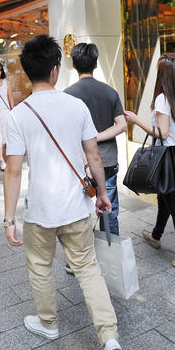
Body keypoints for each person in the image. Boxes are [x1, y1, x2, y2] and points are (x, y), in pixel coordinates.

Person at [3, 35, 125, 350]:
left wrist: (8, 218)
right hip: (76, 207)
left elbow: (13, 171)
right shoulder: (77, 107)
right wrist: (102, 194)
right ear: (56, 71)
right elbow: (93, 157)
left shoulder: (19, 115)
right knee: (88, 269)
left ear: (29, 74)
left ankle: (48, 323)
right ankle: (110, 339)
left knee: (40, 267)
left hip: (41, 211)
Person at [125, 52, 175, 274]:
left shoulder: (162, 99)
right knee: (165, 199)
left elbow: (162, 133)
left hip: (167, 159)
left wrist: (136, 120)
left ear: (161, 75)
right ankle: (156, 235)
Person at [64, 43, 126, 237]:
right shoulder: (110, 92)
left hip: (79, 163)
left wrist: (90, 139)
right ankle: (112, 253)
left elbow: (68, 134)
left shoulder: (67, 95)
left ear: (73, 64)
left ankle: (77, 261)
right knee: (109, 209)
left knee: (77, 213)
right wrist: (97, 137)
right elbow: (122, 125)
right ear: (96, 64)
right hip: (107, 161)